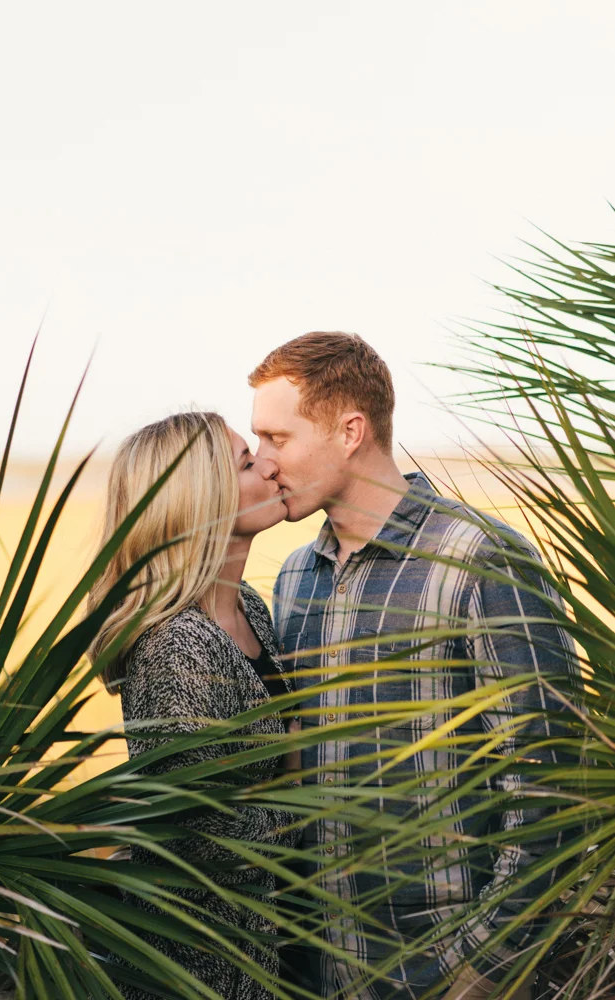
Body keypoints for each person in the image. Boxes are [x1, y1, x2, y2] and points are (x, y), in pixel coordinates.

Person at [249, 332, 578, 1000]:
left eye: (276, 439)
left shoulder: (479, 559)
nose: (262, 463)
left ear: (349, 431)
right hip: (319, 975)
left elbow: (548, 788)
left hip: (444, 975)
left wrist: (478, 971)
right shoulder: (295, 577)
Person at [86, 411, 302, 1000]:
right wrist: (323, 792)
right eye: (245, 461)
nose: (270, 464)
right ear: (203, 499)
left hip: (263, 943)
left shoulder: (250, 609)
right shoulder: (178, 645)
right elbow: (205, 837)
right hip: (201, 966)